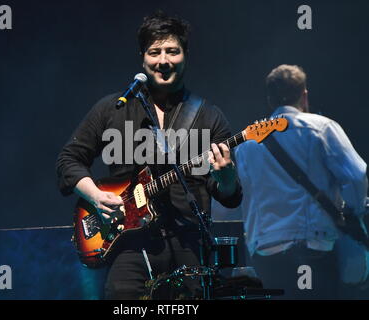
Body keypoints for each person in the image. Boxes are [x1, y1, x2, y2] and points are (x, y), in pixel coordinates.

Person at [56, 11, 242, 300]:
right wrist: (95, 195)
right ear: (142, 58)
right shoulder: (112, 108)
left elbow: (229, 195)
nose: (163, 60)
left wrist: (227, 176)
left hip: (189, 245)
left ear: (185, 55)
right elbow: (68, 160)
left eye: (172, 51)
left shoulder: (208, 116)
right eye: (154, 52)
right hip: (128, 245)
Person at [235, 64, 368, 299]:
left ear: (269, 99)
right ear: (304, 95)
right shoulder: (321, 128)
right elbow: (356, 175)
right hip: (311, 247)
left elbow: (247, 197)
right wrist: (353, 211)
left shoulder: (247, 143)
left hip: (266, 254)